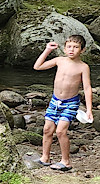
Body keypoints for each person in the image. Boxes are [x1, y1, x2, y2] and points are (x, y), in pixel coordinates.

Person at [33, 34, 93, 172]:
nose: (72, 49)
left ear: (82, 50)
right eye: (69, 47)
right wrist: (47, 50)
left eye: (76, 47)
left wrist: (89, 109)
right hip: (55, 101)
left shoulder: (83, 67)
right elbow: (37, 66)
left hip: (70, 103)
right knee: (47, 130)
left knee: (60, 131)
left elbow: (87, 88)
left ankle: (66, 161)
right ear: (65, 48)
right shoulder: (59, 60)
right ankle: (45, 158)